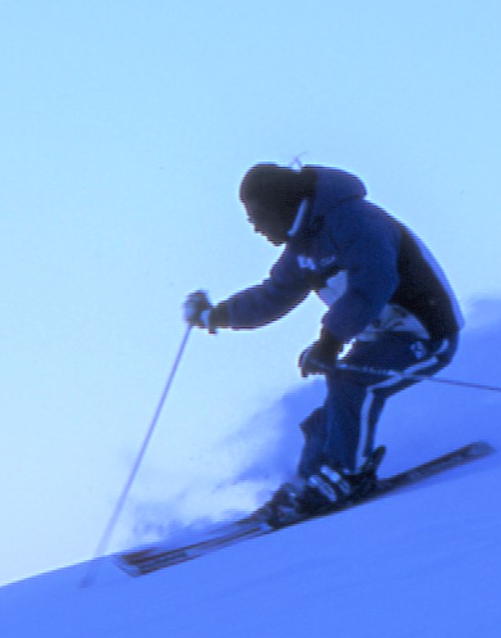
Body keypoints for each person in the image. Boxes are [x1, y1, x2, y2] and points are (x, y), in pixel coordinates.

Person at [182, 162, 463, 525]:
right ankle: (307, 485)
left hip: (426, 334)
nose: (256, 228)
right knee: (328, 417)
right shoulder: (304, 246)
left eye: (259, 217)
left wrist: (329, 341)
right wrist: (215, 315)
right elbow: (272, 296)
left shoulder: (355, 221)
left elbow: (374, 282)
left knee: (353, 383)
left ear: (284, 205)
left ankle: (347, 476)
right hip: (380, 337)